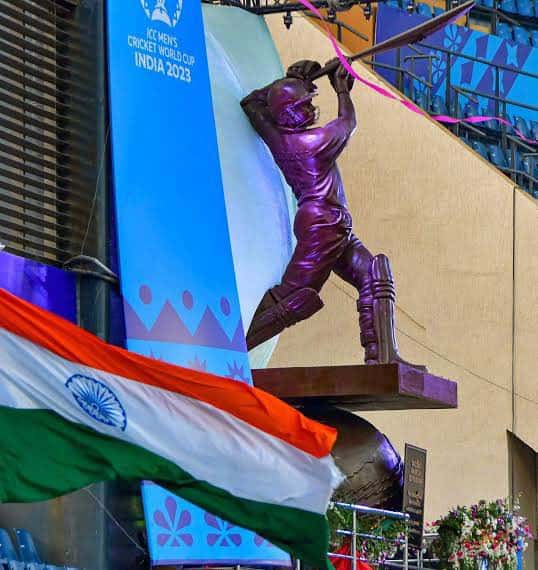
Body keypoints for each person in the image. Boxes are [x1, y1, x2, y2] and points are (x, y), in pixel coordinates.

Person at [241, 59, 419, 367]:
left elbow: (252, 103)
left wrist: (294, 79)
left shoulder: (278, 135)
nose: (310, 110)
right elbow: (348, 124)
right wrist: (341, 90)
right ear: (288, 114)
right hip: (324, 224)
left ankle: (384, 358)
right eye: (303, 106)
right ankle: (237, 347)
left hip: (331, 224)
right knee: (295, 297)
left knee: (375, 272)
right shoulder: (310, 142)